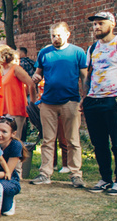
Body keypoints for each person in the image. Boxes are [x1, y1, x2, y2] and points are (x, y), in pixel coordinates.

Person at [81, 11, 117, 194]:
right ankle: (105, 178)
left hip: (113, 99)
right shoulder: (92, 48)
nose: (96, 27)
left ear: (111, 24)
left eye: (100, 23)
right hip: (94, 100)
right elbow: (88, 75)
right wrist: (85, 96)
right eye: (95, 24)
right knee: (99, 143)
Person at [32, 22, 88, 187]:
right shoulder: (45, 53)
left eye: (58, 35)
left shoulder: (77, 52)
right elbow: (38, 74)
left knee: (73, 139)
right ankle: (45, 173)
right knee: (48, 139)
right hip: (48, 101)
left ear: (67, 34)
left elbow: (84, 77)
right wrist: (36, 80)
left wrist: (84, 96)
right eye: (53, 35)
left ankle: (76, 174)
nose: (55, 39)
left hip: (70, 100)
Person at [0, 46, 36, 140]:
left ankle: (19, 154)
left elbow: (31, 84)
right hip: (5, 109)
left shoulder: (15, 69)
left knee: (15, 138)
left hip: (16, 108)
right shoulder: (2, 71)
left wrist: (33, 104)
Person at [0, 117, 25, 215]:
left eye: (4, 132)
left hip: (6, 178)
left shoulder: (15, 145)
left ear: (13, 134)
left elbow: (7, 173)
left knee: (2, 188)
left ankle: (9, 202)